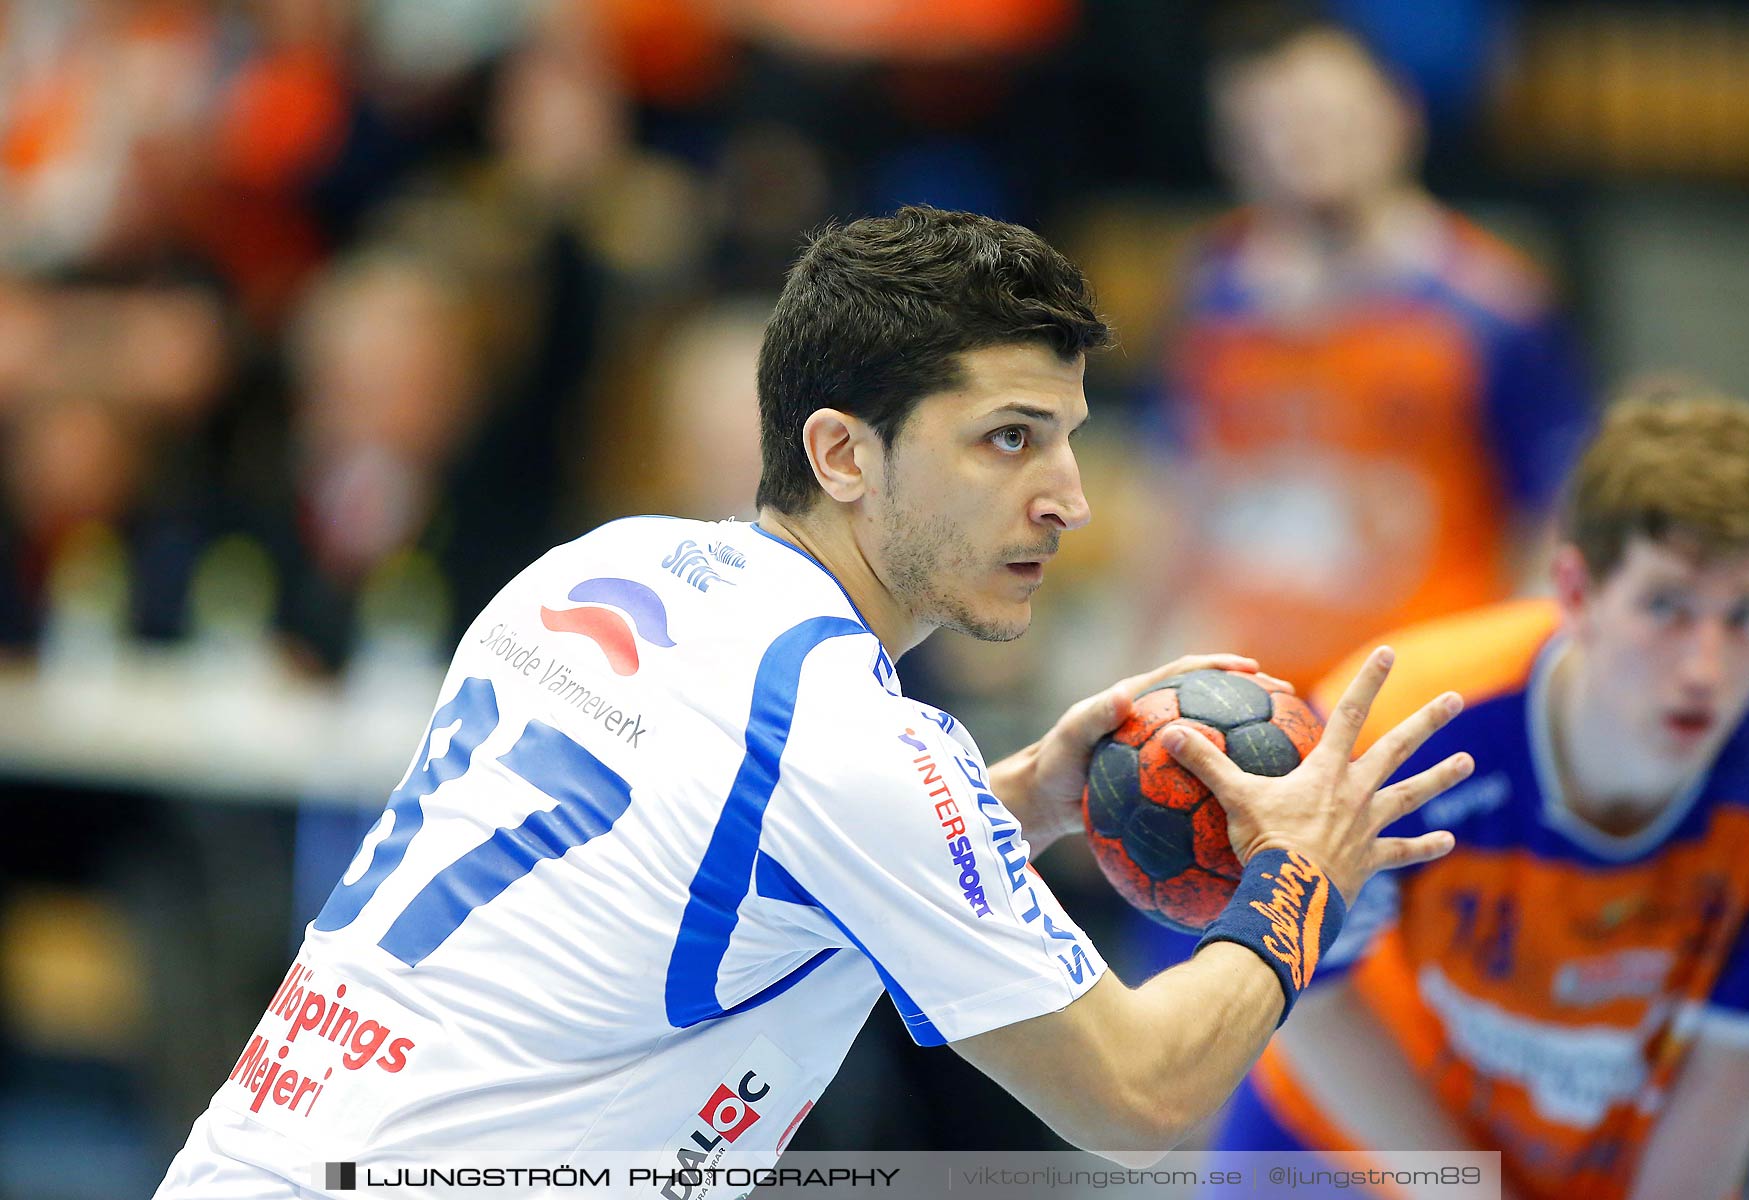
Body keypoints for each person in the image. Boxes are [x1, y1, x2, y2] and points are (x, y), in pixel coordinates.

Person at [154, 207, 1471, 1197]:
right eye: (1009, 438)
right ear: (843, 452)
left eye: (1069, 435)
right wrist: (1297, 881)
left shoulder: (598, 569)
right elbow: (1141, 1094)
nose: (1067, 494)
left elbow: (717, 864)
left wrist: (1015, 799)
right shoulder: (851, 743)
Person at [1211, 387, 1749, 1200]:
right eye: (1666, 606)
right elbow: (1311, 1000)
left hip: (1600, 1162)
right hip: (1352, 1134)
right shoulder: (1403, 721)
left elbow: (1734, 1072)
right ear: (1576, 590)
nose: (1706, 666)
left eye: (1748, 614)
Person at [1147, 8, 1590, 693]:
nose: (1306, 148)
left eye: (1330, 120)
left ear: (1398, 117)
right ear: (1233, 147)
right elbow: (1180, 498)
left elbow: (1552, 520)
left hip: (1424, 698)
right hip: (1246, 702)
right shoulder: (1213, 297)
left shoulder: (1492, 308)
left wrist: (1523, 683)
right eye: (1275, 128)